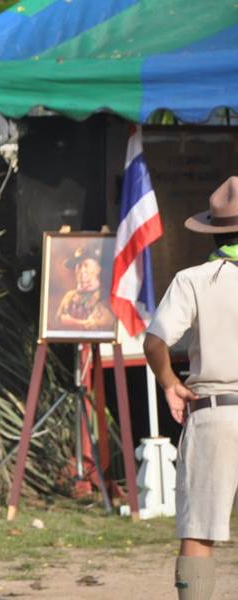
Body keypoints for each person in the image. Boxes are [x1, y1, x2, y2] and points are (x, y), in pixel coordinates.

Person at [144, 175, 238, 600]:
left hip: (216, 412)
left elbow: (155, 341)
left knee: (199, 532)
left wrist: (169, 383)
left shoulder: (194, 279)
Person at [54, 244, 116, 331]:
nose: (82, 271)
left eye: (86, 265)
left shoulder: (105, 296)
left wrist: (72, 322)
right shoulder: (69, 296)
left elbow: (105, 324)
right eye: (78, 266)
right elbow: (57, 322)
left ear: (97, 269)